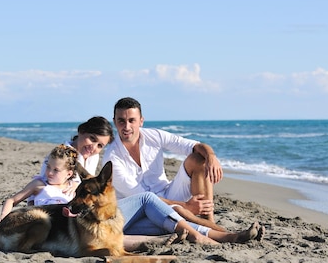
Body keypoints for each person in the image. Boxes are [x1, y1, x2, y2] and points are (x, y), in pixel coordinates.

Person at [102, 97, 223, 222]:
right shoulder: (111, 159)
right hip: (140, 210)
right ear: (115, 122)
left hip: (168, 194)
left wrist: (211, 156)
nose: (127, 127)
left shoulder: (155, 136)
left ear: (141, 121)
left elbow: (193, 146)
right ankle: (205, 225)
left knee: (198, 159)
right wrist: (187, 207)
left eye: (132, 120)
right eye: (121, 121)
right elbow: (144, 198)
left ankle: (208, 220)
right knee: (152, 204)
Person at [119, 192, 264, 251]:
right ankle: (198, 237)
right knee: (147, 198)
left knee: (163, 223)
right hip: (101, 219)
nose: (95, 147)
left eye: (100, 145)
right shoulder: (113, 154)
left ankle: (230, 237)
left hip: (115, 224)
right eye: (94, 141)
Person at [0, 145, 79, 225]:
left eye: (56, 170)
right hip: (41, 225)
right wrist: (3, 216)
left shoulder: (73, 187)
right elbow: (11, 200)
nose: (50, 173)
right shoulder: (39, 185)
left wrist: (76, 187)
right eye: (48, 167)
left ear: (69, 174)